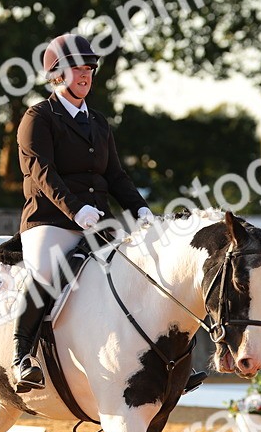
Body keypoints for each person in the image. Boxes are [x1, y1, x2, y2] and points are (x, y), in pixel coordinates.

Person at [10, 33, 154, 392]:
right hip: (50, 219)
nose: (86, 74)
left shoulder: (100, 123)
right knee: (46, 272)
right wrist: (76, 210)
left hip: (97, 222)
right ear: (58, 73)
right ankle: (21, 356)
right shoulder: (38, 117)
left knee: (140, 273)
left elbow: (115, 175)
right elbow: (41, 171)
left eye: (89, 68)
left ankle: (156, 362)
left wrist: (140, 210)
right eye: (78, 68)